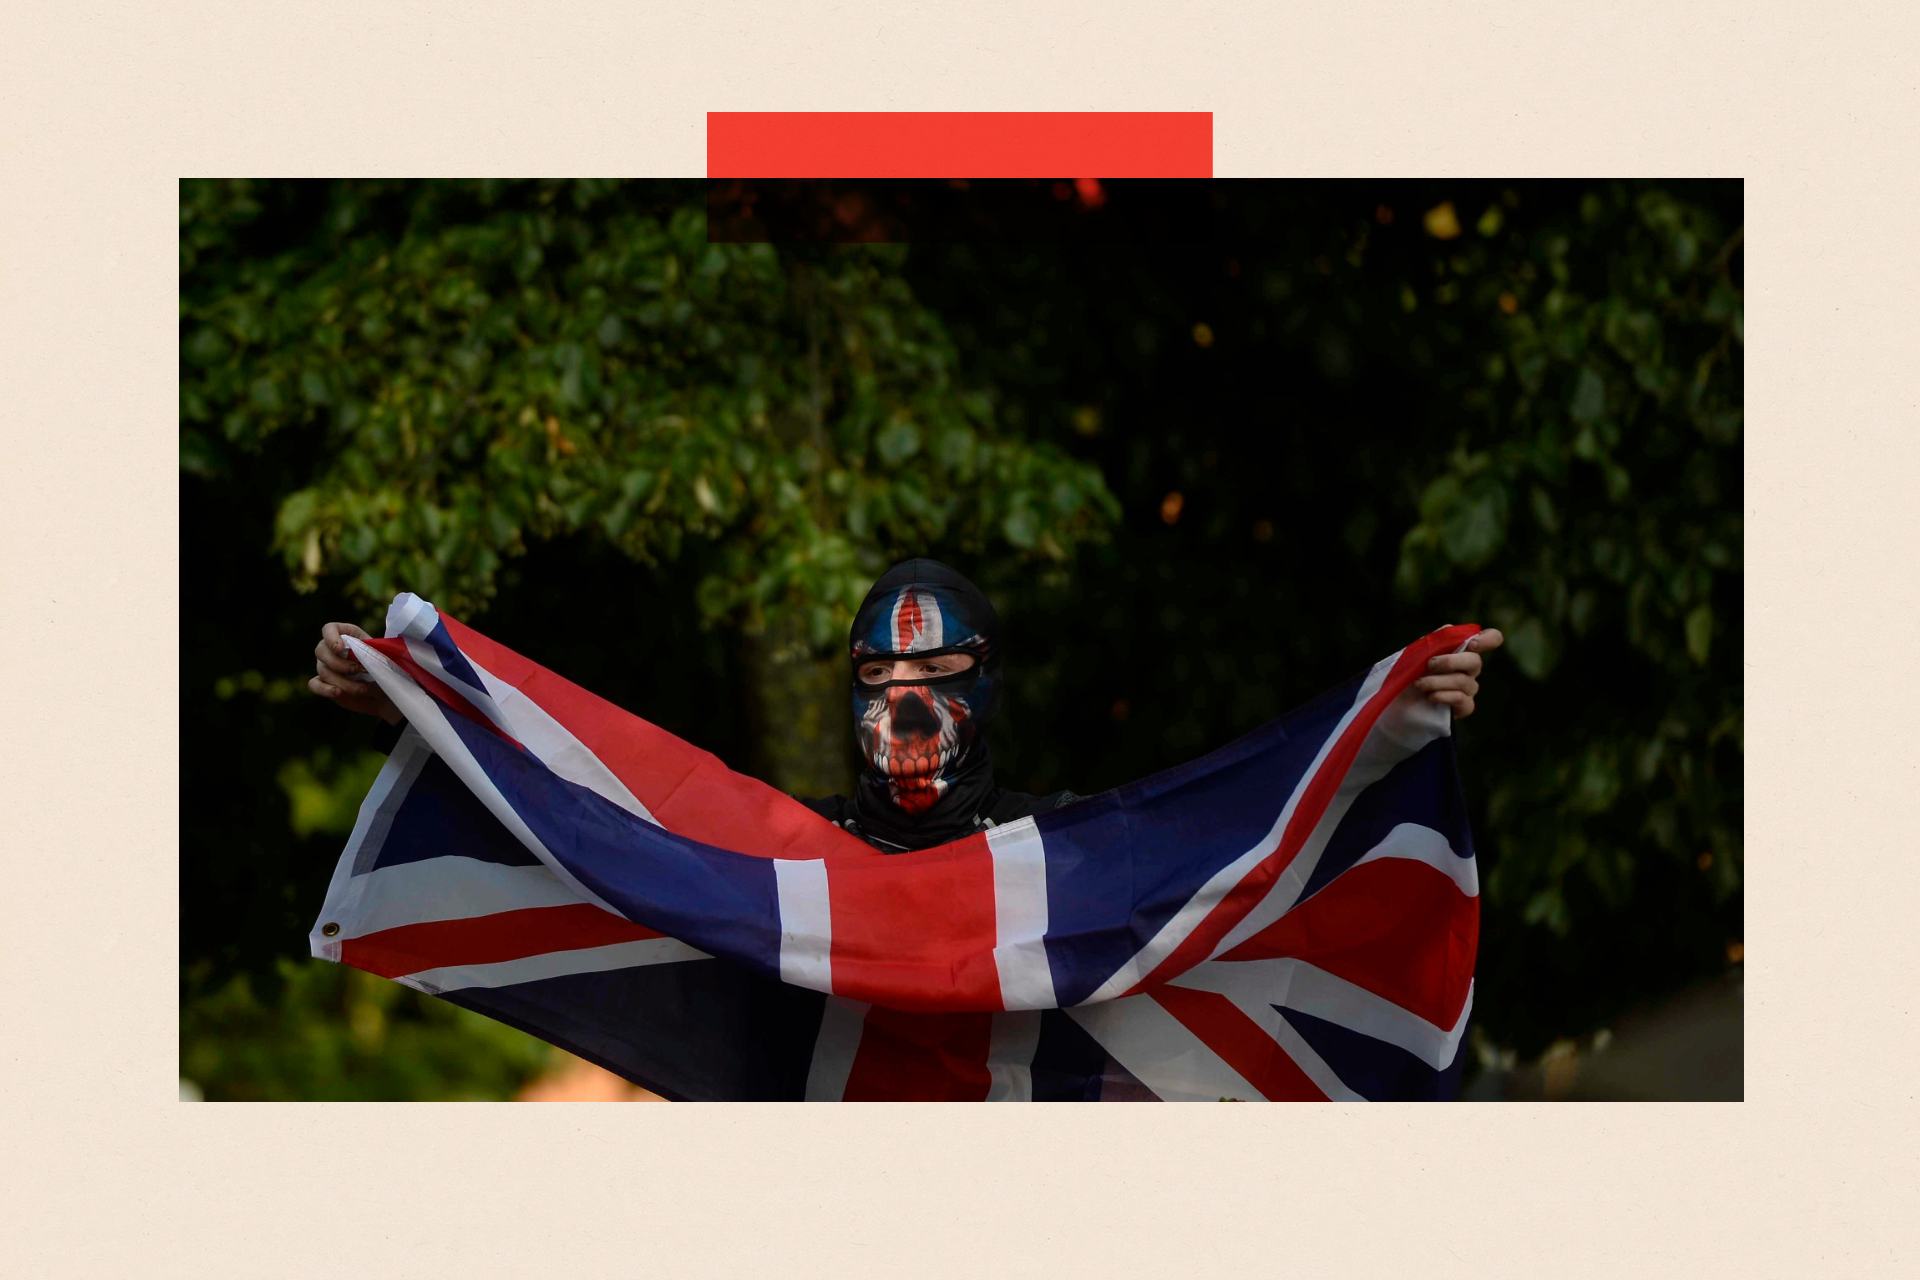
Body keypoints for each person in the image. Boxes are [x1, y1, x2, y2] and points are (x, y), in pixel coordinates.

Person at [307, 557, 1504, 852]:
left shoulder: (1070, 849)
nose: (909, 705)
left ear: (986, 684)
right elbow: (587, 830)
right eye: (881, 680)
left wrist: (1393, 723)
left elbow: (1253, 843)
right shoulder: (788, 859)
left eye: (936, 677)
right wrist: (421, 712)